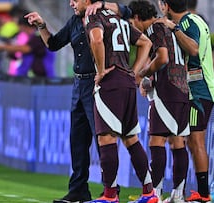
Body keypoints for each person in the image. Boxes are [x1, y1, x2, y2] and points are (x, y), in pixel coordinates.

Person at [24, 1, 132, 202]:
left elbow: (128, 11)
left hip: (99, 82)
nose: (70, 3)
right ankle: (78, 190)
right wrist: (42, 26)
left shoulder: (106, 14)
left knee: (103, 140)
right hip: (79, 85)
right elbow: (54, 44)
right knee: (78, 141)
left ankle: (111, 190)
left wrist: (101, 3)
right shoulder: (74, 21)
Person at [84, 0, 159, 202]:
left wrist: (100, 72)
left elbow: (97, 39)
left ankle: (110, 196)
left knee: (106, 139)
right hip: (126, 82)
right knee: (130, 138)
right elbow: (146, 42)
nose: (72, 3)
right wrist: (133, 73)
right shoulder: (119, 19)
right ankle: (149, 192)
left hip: (110, 82)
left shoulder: (93, 16)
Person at [128, 1, 190, 203]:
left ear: (137, 17)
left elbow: (162, 58)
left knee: (157, 140)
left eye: (132, 22)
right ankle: (178, 195)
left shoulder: (155, 28)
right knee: (177, 141)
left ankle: (154, 193)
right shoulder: (169, 27)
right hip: (181, 88)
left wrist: (144, 75)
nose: (133, 27)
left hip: (167, 91)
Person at [161, 0, 214, 202]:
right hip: (200, 91)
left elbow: (193, 49)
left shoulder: (185, 23)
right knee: (191, 142)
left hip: (198, 92)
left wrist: (174, 28)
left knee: (195, 141)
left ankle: (203, 195)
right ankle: (194, 193)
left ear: (166, 5)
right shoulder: (196, 20)